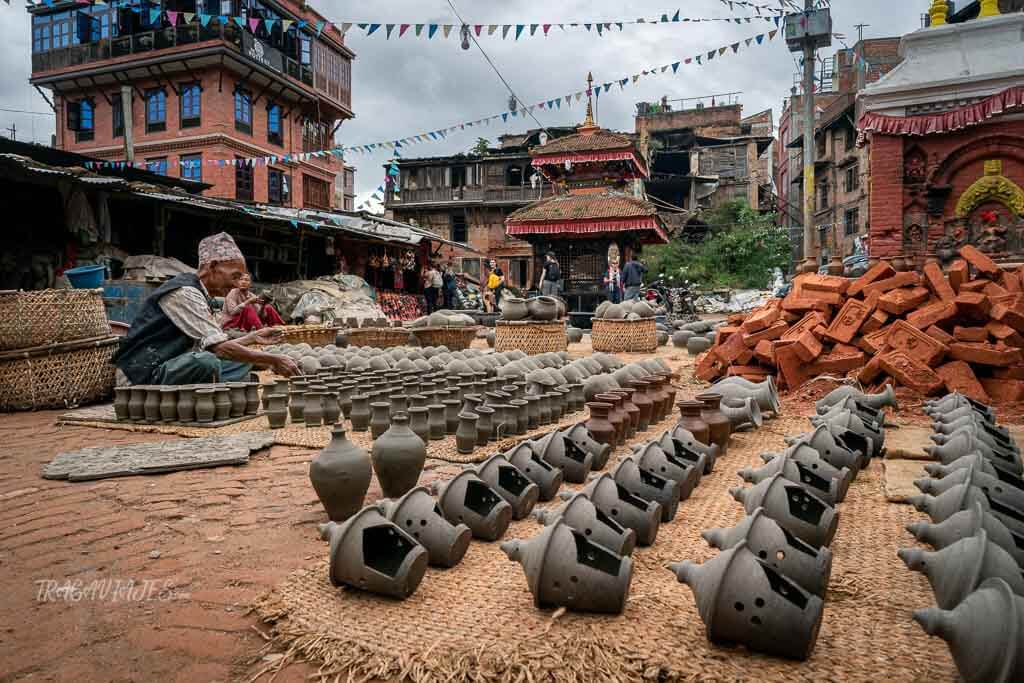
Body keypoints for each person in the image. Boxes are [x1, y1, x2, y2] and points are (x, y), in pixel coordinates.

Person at [112, 232, 300, 386]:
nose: (236, 284)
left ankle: (219, 384)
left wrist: (252, 338)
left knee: (241, 364)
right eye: (234, 276)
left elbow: (213, 343)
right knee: (207, 362)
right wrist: (274, 359)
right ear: (212, 266)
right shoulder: (184, 292)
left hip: (173, 362)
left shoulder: (201, 293)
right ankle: (214, 387)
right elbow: (220, 349)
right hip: (140, 376)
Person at [220, 273, 286, 331]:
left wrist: (263, 306)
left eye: (246, 280)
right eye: (241, 279)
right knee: (248, 308)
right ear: (238, 282)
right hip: (230, 324)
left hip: (244, 323)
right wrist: (248, 301)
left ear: (250, 284)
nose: (243, 282)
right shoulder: (233, 293)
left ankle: (283, 328)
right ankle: (261, 330)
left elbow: (260, 316)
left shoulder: (251, 295)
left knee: (268, 307)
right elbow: (232, 312)